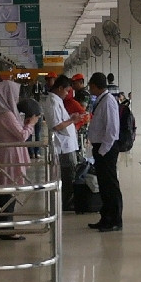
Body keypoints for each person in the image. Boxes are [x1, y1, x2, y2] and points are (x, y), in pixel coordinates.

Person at [0, 77, 38, 240]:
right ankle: (6, 228)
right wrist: (31, 124)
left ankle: (3, 226)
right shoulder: (7, 114)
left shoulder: (1, 112)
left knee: (6, 191)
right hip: (10, 155)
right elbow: (22, 135)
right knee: (9, 191)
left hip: (6, 152)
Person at [86, 72, 123, 232]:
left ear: (95, 85)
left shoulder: (108, 102)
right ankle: (105, 217)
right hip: (100, 148)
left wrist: (102, 151)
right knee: (103, 184)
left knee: (110, 185)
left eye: (90, 86)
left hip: (106, 148)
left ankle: (115, 219)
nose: (89, 89)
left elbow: (112, 130)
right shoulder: (102, 100)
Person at [45, 75, 83, 211]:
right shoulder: (53, 102)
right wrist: (72, 120)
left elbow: (62, 120)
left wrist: (71, 118)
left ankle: (68, 201)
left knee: (70, 174)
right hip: (63, 146)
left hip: (67, 145)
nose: (67, 94)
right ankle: (66, 203)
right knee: (68, 176)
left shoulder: (57, 100)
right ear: (60, 88)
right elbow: (56, 125)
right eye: (66, 91)